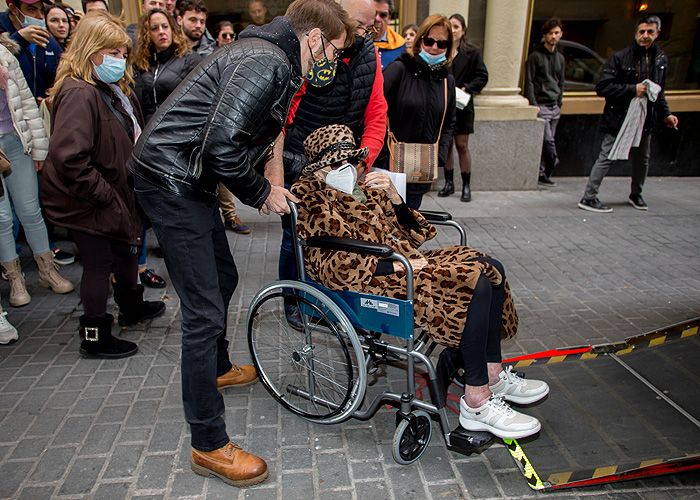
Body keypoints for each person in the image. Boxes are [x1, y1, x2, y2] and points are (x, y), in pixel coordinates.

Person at [129, 0, 354, 487]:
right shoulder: (266, 61)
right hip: (171, 179)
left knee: (224, 276)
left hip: (188, 178)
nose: (333, 61)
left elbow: (249, 135)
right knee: (203, 311)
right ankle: (208, 443)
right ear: (314, 38)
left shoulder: (272, 57)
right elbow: (222, 145)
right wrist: (260, 192)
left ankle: (218, 367)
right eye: (334, 49)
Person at [293, 124, 549, 439]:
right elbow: (330, 264)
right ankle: (477, 400)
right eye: (336, 163)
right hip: (371, 279)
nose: (345, 168)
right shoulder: (311, 196)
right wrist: (396, 267)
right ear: (318, 169)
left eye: (350, 161)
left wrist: (394, 198)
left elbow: (413, 234)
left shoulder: (358, 187)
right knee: (474, 283)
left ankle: (492, 374)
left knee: (490, 266)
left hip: (407, 263)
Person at [41, 12, 165, 359]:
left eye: (122, 53)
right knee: (98, 265)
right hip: (91, 198)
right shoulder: (79, 93)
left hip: (118, 190)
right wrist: (107, 198)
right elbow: (70, 159)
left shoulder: (107, 87)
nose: (119, 59)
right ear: (90, 50)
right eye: (111, 52)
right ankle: (94, 336)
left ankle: (131, 307)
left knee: (126, 250)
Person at [280, 0, 387, 326]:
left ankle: (333, 299)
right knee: (295, 236)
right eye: (357, 25)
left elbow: (377, 114)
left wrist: (359, 164)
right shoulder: (309, 48)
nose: (363, 32)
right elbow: (283, 116)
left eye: (368, 27)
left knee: (338, 234)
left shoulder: (369, 54)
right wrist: (295, 165)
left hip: (345, 164)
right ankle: (295, 302)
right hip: (300, 160)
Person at [0, 33, 74, 309]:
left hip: (17, 142)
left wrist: (39, 147)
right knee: (2, 217)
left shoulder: (6, 53)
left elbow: (29, 106)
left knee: (31, 209)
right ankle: (15, 279)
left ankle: (47, 271)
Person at [578, 14, 678, 213]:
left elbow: (659, 92)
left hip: (645, 118)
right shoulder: (620, 57)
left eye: (650, 32)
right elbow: (603, 87)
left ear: (657, 33)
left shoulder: (660, 60)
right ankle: (589, 197)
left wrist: (666, 114)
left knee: (642, 158)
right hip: (619, 117)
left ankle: (636, 194)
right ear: (635, 33)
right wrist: (633, 89)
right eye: (642, 32)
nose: (645, 36)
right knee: (606, 156)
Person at [133, 7, 201, 287]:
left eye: (165, 27)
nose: (161, 32)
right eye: (154, 28)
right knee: (147, 211)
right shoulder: (140, 63)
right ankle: (141, 269)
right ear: (146, 34)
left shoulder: (188, 60)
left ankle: (188, 269)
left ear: (174, 29)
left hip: (178, 147)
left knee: (180, 210)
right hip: (145, 146)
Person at [381, 14, 455, 209]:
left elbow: (449, 122)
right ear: (420, 39)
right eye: (429, 41)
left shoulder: (447, 81)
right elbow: (376, 110)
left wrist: (440, 153)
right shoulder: (399, 69)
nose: (434, 48)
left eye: (442, 44)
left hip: (421, 168)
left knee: (409, 230)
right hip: (390, 166)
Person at [438, 13, 487, 203]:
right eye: (450, 26)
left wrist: (467, 88)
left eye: (456, 26)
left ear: (463, 30)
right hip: (445, 106)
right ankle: (448, 183)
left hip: (463, 106)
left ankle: (466, 185)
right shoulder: (441, 49)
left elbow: (482, 76)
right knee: (447, 146)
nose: (453, 30)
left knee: (462, 145)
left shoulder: (473, 52)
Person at [524, 18, 565, 188]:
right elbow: (530, 81)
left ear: (561, 34)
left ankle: (542, 172)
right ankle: (553, 161)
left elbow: (561, 81)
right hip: (541, 103)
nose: (553, 36)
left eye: (556, 33)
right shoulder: (535, 57)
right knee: (548, 141)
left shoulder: (560, 58)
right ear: (545, 35)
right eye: (550, 33)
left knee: (549, 140)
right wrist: (535, 105)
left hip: (554, 104)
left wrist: (560, 100)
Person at [0, 0, 63, 100]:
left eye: (42, 10)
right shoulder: (2, 30)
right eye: (31, 9)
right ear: (14, 9)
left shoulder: (48, 40)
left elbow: (61, 76)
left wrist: (51, 97)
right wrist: (18, 39)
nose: (40, 16)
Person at [372, 0, 403, 69]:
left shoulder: (401, 48)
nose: (377, 18)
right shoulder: (353, 42)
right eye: (373, 13)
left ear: (389, 18)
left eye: (383, 15)